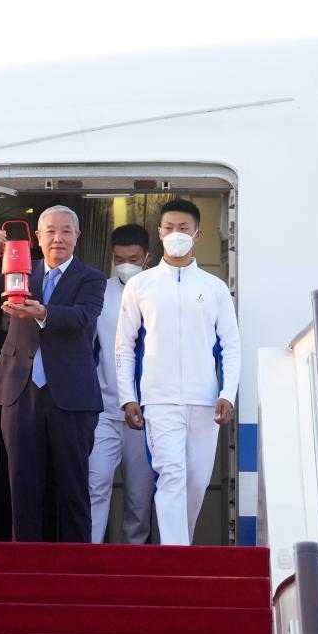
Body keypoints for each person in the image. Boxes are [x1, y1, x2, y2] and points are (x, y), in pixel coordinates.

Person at [0, 205, 106, 542]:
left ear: (77, 237)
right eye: (51, 231)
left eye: (66, 231)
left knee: (73, 486)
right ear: (37, 237)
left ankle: (76, 561)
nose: (58, 238)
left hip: (71, 395)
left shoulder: (91, 277)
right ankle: (25, 561)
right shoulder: (20, 270)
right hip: (20, 390)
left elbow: (82, 318)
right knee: (23, 484)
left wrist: (43, 312)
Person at [116, 199, 241, 546]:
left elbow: (231, 345)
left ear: (197, 234)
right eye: (169, 227)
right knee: (171, 476)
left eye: (183, 228)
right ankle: (177, 556)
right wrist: (128, 397)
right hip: (159, 401)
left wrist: (227, 393)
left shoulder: (215, 288)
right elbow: (124, 346)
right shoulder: (140, 285)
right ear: (159, 232)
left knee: (196, 482)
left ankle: (178, 548)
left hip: (205, 402)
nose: (175, 234)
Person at [88, 224, 156, 544]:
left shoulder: (160, 293)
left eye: (133, 259)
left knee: (139, 498)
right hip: (104, 410)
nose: (125, 265)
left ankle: (134, 560)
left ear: (148, 257)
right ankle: (89, 555)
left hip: (146, 413)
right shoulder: (98, 292)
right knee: (95, 485)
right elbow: (87, 348)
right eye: (119, 259)